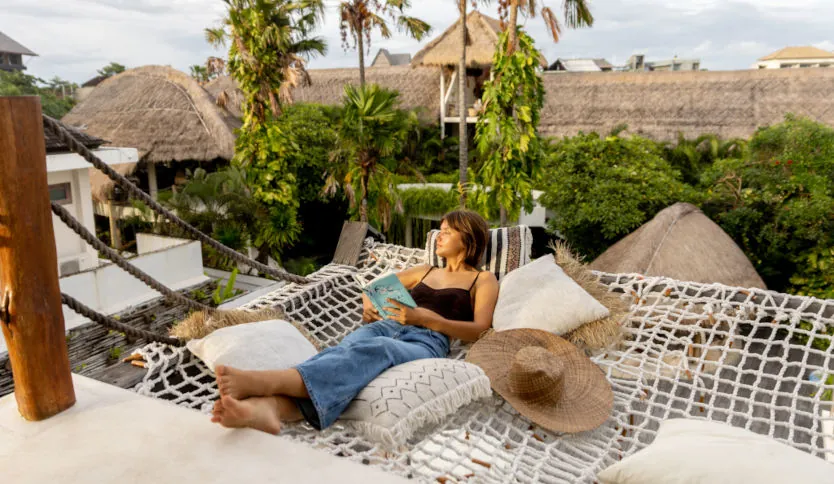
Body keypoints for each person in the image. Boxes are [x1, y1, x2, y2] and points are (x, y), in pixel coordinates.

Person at [211, 210, 500, 434]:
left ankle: (264, 384)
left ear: (469, 238)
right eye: (440, 230)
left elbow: (480, 330)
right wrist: (369, 306)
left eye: (448, 231)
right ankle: (271, 410)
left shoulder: (482, 279)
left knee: (377, 351)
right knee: (342, 354)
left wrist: (425, 317)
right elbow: (374, 288)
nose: (439, 235)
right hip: (388, 326)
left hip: (425, 340)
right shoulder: (424, 270)